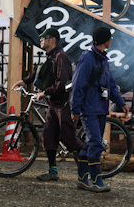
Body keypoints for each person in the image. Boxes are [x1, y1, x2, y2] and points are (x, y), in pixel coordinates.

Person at [15, 27, 83, 181]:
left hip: (63, 104)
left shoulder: (61, 57)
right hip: (53, 105)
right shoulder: (51, 56)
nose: (41, 40)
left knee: (70, 140)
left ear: (52, 39)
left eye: (43, 38)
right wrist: (25, 81)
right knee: (48, 137)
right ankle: (53, 172)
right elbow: (41, 73)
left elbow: (62, 82)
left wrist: (45, 92)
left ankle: (89, 169)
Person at [70, 26, 130, 193]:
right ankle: (97, 180)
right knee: (96, 142)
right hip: (89, 109)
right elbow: (78, 86)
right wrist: (75, 110)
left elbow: (110, 84)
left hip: (100, 108)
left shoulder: (102, 59)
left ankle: (82, 179)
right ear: (106, 41)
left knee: (90, 143)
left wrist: (120, 102)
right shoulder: (88, 59)